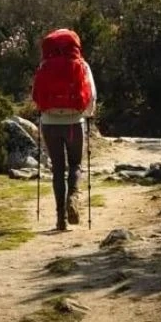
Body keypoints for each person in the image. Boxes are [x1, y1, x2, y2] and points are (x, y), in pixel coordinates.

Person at [32, 29, 97, 231]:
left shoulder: (44, 65)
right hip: (74, 122)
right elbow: (91, 94)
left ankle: (60, 218)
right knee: (75, 164)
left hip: (49, 123)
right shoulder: (81, 65)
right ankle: (73, 197)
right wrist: (87, 114)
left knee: (58, 169)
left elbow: (35, 95)